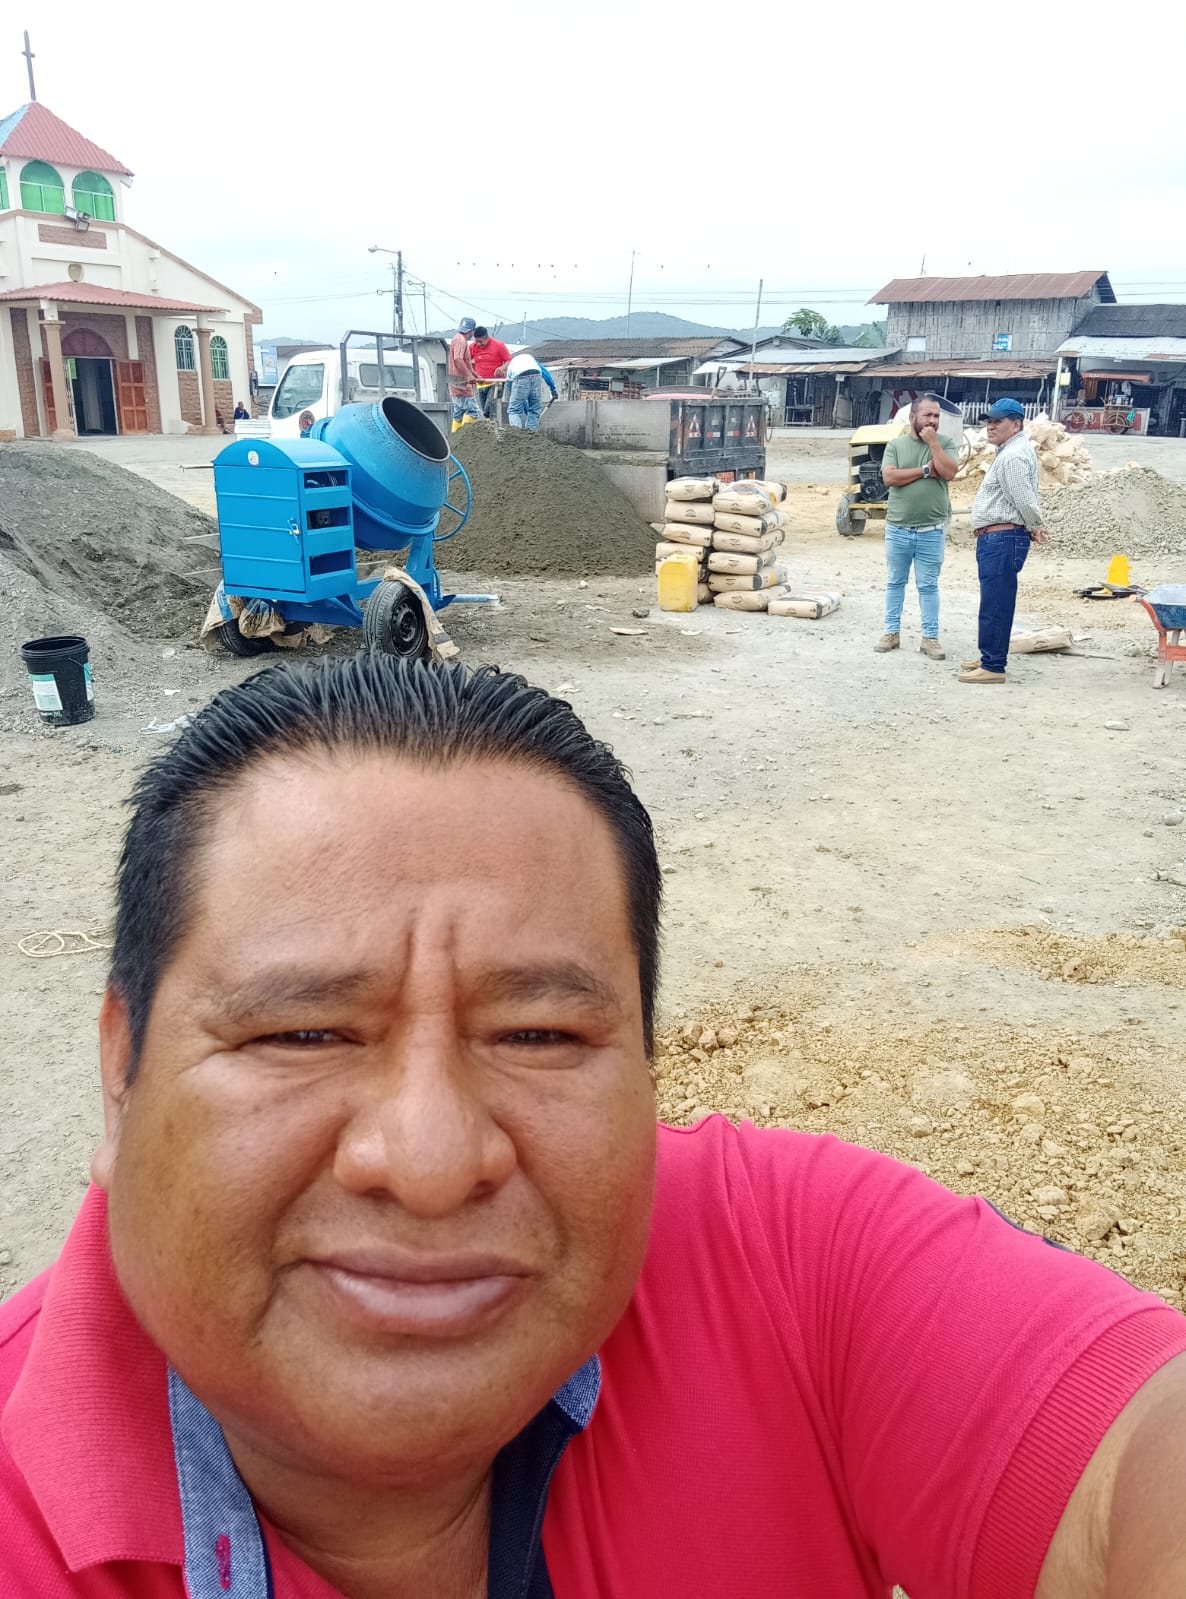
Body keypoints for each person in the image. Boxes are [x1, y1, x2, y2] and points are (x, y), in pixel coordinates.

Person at [3, 656, 1186, 1599]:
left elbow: (1139, 1444)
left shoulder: (784, 1262)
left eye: (538, 1036)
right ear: (120, 1077)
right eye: (303, 1034)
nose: (430, 1162)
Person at [961, 397, 1049, 684]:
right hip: (1000, 537)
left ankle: (993, 666)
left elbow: (1023, 498)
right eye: (989, 421)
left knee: (996, 603)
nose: (991, 426)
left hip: (1003, 538)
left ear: (1016, 424)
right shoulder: (1011, 451)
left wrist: (1035, 524)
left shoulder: (1013, 456)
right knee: (994, 601)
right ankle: (990, 656)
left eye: (998, 421)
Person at [874, 394, 960, 660]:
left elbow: (949, 472)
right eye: (927, 415)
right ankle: (891, 633)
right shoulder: (896, 445)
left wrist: (934, 444)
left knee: (928, 586)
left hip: (931, 530)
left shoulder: (945, 443)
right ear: (913, 417)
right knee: (895, 582)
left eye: (936, 416)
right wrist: (924, 470)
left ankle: (930, 638)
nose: (933, 420)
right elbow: (889, 477)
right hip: (898, 528)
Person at [500, 351, 558, 432]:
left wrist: (524, 407)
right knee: (535, 410)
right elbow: (546, 374)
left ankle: (516, 434)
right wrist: (553, 390)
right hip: (536, 376)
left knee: (514, 410)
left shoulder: (511, 366)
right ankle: (532, 434)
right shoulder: (532, 362)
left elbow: (513, 389)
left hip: (520, 377)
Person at [447, 316, 482, 432]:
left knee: (459, 413)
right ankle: (464, 437)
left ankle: (454, 437)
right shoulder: (461, 341)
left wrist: (475, 375)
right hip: (461, 381)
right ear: (472, 331)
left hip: (455, 380)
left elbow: (466, 362)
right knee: (473, 411)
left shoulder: (456, 338)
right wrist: (468, 375)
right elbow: (458, 359)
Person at [470, 326, 512, 418]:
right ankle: (490, 424)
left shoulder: (498, 345)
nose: (478, 344)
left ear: (486, 338)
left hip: (495, 383)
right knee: (484, 412)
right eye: (476, 341)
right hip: (481, 383)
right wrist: (472, 374)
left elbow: (508, 360)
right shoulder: (473, 347)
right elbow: (466, 361)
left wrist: (502, 368)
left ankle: (494, 423)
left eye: (480, 341)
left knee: (489, 410)